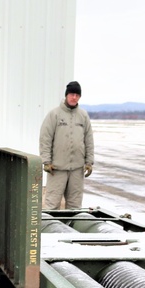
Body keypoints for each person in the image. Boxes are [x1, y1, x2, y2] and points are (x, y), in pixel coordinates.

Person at [39, 81, 95, 210]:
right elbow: (45, 139)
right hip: (56, 168)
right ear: (66, 95)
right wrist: (46, 161)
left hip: (77, 169)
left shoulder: (83, 116)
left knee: (75, 205)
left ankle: (70, 228)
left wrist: (89, 162)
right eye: (71, 94)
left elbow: (89, 140)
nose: (74, 97)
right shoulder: (54, 115)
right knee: (52, 203)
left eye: (77, 95)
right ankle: (50, 228)